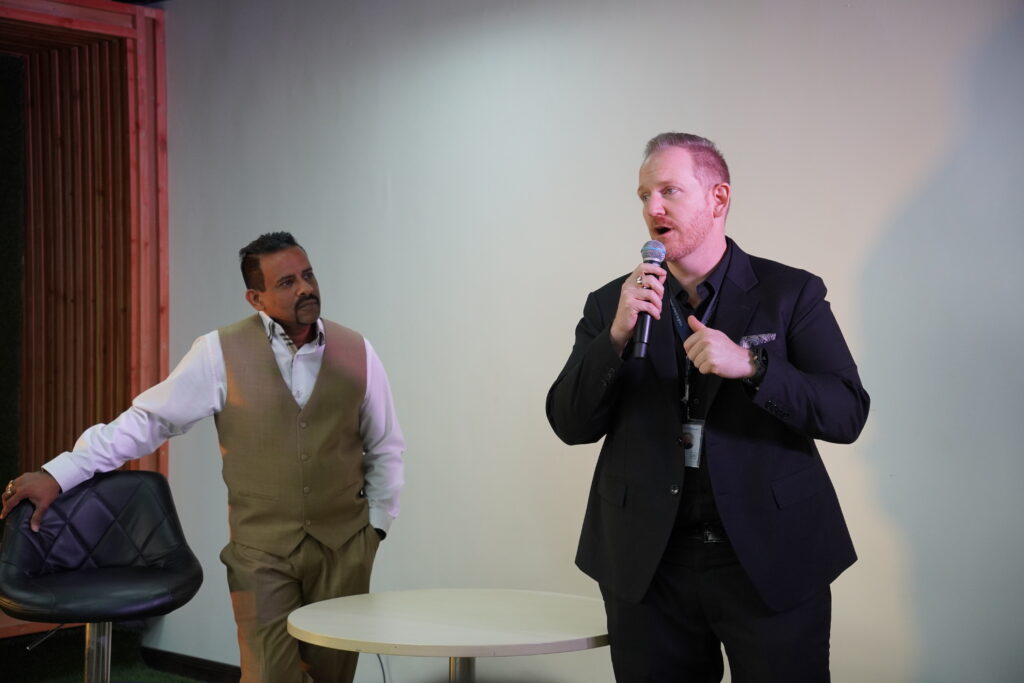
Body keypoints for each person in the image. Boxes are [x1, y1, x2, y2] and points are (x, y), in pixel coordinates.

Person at [1, 232, 405, 683]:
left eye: (307, 275)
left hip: (345, 547)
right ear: (256, 297)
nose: (305, 288)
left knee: (333, 676)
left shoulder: (358, 351)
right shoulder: (218, 352)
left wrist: (377, 527)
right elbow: (147, 422)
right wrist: (58, 473)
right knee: (269, 676)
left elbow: (386, 445)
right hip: (262, 552)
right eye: (287, 282)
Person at [546, 133, 869, 682]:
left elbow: (846, 412)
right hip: (649, 565)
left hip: (770, 558)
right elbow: (570, 423)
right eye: (644, 195)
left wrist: (755, 367)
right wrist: (615, 340)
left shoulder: (790, 293)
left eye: (669, 191)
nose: (652, 209)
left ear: (718, 199)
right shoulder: (612, 303)